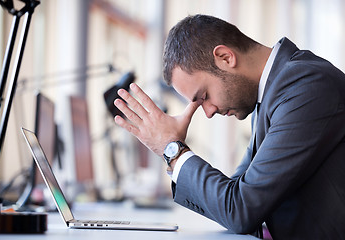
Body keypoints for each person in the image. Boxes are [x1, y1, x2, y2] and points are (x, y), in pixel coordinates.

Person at [113, 14, 345, 239]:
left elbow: (241, 209)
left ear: (225, 57)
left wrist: (172, 150)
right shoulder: (271, 94)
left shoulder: (306, 87)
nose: (209, 112)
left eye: (204, 96)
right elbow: (234, 196)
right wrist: (173, 149)